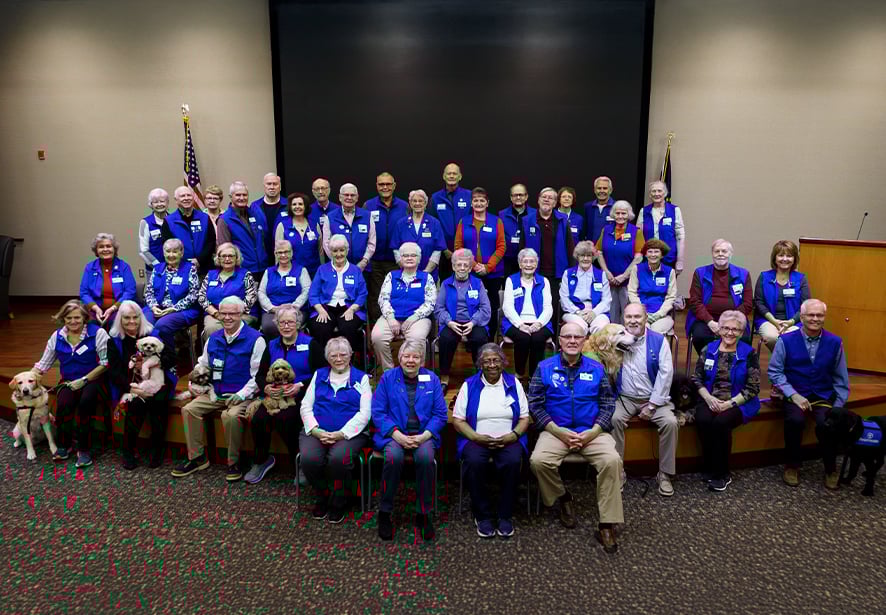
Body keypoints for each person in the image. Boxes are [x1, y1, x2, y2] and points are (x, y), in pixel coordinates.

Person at [528, 321, 623, 554]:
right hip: (556, 430)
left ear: (584, 341)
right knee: (538, 461)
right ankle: (563, 497)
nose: (572, 341)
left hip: (591, 430)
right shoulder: (544, 367)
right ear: (559, 341)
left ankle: (606, 524)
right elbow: (535, 404)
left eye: (577, 337)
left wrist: (595, 430)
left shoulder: (596, 368)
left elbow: (608, 403)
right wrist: (556, 430)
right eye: (567, 337)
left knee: (612, 461)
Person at [172, 296, 266, 481]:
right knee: (189, 409)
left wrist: (240, 395)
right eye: (223, 313)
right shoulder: (213, 338)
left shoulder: (256, 340)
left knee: (229, 416)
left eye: (233, 313)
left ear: (242, 314)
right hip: (215, 391)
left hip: (242, 394)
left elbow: (258, 376)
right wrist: (194, 383)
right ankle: (197, 457)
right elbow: (203, 365)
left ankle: (235, 462)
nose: (228, 317)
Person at [768, 299, 849, 489]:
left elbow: (841, 377)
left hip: (822, 394)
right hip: (794, 393)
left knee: (827, 424)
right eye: (810, 315)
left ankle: (831, 468)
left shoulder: (835, 342)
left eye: (819, 315)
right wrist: (793, 395)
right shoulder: (785, 340)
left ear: (824, 317)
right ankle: (792, 465)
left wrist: (838, 405)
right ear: (801, 317)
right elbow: (775, 371)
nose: (815, 319)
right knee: (795, 421)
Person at [371, 340, 448, 541]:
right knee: (393, 458)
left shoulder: (432, 379)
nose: (411, 360)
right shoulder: (387, 378)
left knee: (425, 459)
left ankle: (423, 513)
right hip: (394, 434)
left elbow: (440, 415)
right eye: (407, 356)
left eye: (415, 357)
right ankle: (385, 512)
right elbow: (378, 413)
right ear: (399, 358)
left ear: (422, 360)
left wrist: (424, 436)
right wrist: (397, 435)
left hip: (423, 435)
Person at [453, 343, 529, 538]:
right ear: (480, 364)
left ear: (503, 362)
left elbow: (524, 418)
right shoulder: (469, 385)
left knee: (513, 462)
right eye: (487, 361)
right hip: (476, 438)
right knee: (474, 462)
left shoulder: (514, 383)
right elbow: (458, 420)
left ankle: (505, 515)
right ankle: (483, 515)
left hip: (509, 438)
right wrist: (476, 437)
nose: (492, 365)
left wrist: (514, 435)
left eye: (496, 360)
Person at [299, 337, 371, 522]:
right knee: (309, 459)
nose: (338, 359)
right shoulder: (319, 375)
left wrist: (342, 434)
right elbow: (306, 405)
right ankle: (323, 496)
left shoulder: (361, 378)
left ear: (351, 355)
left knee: (338, 460)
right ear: (327, 357)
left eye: (343, 355)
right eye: (333, 355)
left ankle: (339, 501)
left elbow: (365, 413)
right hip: (317, 431)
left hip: (350, 434)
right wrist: (315, 430)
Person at [611, 303, 678, 495]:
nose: (633, 321)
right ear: (623, 318)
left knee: (670, 423)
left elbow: (666, 374)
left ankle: (664, 474)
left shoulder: (658, 341)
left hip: (653, 398)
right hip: (625, 398)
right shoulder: (618, 338)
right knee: (613, 419)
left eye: (637, 317)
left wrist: (653, 404)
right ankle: (618, 472)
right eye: (629, 317)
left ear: (645, 318)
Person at [33, 300, 109, 467]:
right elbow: (43, 365)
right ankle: (64, 446)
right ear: (63, 318)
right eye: (68, 318)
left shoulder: (98, 333)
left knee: (85, 403)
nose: (73, 321)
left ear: (84, 318)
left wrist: (84, 380)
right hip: (68, 380)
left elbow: (105, 363)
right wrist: (27, 379)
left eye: (77, 317)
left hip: (93, 378)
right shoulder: (57, 336)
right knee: (64, 404)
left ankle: (84, 449)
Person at [692, 310, 761, 491]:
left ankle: (722, 473)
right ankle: (708, 464)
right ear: (719, 329)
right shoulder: (709, 349)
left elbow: (753, 388)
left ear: (742, 332)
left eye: (735, 330)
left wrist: (729, 404)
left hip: (739, 401)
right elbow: (696, 378)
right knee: (703, 419)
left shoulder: (749, 353)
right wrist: (708, 398)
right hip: (710, 398)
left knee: (721, 422)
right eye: (726, 328)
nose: (730, 333)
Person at [246, 304, 312, 484]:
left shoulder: (310, 343)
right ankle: (261, 460)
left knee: (286, 418)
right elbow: (260, 375)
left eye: (291, 322)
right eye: (282, 322)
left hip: (301, 395)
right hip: (274, 396)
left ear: (298, 323)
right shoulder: (272, 345)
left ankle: (299, 464)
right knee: (259, 418)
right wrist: (265, 387)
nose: (286, 326)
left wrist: (299, 385)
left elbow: (320, 374)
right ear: (277, 324)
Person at [107, 300, 176, 470]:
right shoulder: (115, 341)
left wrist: (156, 363)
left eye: (135, 317)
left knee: (158, 401)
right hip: (131, 384)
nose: (132, 321)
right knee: (136, 404)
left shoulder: (155, 334)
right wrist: (132, 388)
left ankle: (157, 449)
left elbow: (172, 357)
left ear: (141, 317)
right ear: (120, 320)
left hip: (159, 380)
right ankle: (128, 450)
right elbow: (114, 372)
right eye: (127, 318)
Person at [371, 242, 436, 370]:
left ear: (419, 259)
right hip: (391, 317)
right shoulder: (391, 276)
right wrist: (390, 318)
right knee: (377, 337)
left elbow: (430, 303)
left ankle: (414, 372)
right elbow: (383, 299)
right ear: (400, 258)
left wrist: (413, 317)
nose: (409, 258)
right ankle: (388, 372)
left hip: (418, 319)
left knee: (416, 338)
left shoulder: (426, 278)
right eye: (405, 255)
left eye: (413, 255)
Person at [307, 234, 368, 370]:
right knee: (320, 328)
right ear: (330, 252)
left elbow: (362, 294)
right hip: (325, 307)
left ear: (347, 250)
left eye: (342, 250)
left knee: (348, 327)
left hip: (349, 307)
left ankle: (349, 365)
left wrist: (352, 309)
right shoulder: (322, 269)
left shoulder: (356, 270)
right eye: (335, 251)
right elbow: (313, 294)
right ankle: (324, 366)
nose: (339, 254)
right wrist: (320, 310)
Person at [433, 249, 491, 388]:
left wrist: (473, 322)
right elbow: (439, 309)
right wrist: (449, 322)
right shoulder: (446, 284)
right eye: (459, 265)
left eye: (466, 265)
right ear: (453, 266)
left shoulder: (478, 284)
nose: (462, 268)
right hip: (452, 322)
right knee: (446, 339)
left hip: (473, 322)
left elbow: (485, 308)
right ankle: (445, 377)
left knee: (480, 338)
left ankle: (480, 375)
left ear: (471, 268)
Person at [454, 187, 506, 334]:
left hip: (494, 274)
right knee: (472, 304)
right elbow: (458, 247)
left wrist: (488, 267)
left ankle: (490, 338)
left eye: (482, 200)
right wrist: (475, 265)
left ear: (487, 203)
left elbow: (502, 246)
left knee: (492, 305)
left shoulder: (497, 222)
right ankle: (473, 338)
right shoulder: (463, 222)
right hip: (471, 273)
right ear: (471, 203)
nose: (478, 203)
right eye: (475, 200)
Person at [686, 238, 753, 352]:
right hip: (705, 319)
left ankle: (730, 365)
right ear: (712, 254)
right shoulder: (700, 273)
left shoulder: (743, 274)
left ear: (730, 254)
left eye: (724, 251)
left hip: (735, 319)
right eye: (717, 251)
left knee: (745, 338)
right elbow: (695, 301)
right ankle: (709, 362)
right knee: (700, 337)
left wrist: (730, 322)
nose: (720, 254)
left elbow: (747, 303)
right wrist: (710, 322)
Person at [520, 187, 574, 318]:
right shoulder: (527, 220)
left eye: (551, 198)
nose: (547, 200)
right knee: (534, 305)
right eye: (544, 197)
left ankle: (552, 336)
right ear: (538, 200)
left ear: (555, 203)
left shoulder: (562, 220)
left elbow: (569, 247)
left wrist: (569, 271)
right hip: (533, 272)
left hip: (556, 273)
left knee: (554, 306)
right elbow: (521, 248)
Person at [501, 248, 553, 379]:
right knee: (523, 337)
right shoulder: (511, 280)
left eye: (532, 262)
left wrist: (539, 323)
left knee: (537, 338)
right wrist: (520, 325)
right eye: (525, 261)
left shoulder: (544, 281)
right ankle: (519, 374)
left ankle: (534, 377)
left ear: (536, 264)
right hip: (515, 321)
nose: (528, 265)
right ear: (520, 264)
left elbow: (548, 307)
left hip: (540, 321)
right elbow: (507, 307)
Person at [365, 172, 409, 324]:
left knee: (395, 295)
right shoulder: (368, 206)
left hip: (396, 261)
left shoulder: (405, 206)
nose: (385, 187)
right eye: (381, 184)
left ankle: (396, 328)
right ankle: (378, 328)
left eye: (388, 184)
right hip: (374, 261)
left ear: (394, 185)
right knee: (375, 296)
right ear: (377, 186)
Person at [143, 238, 201, 348]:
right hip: (159, 308)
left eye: (175, 251)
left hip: (182, 310)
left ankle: (168, 357)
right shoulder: (158, 268)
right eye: (168, 251)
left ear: (181, 253)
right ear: (163, 253)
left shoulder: (190, 269)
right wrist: (154, 306)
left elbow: (194, 294)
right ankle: (152, 357)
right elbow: (149, 292)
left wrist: (174, 308)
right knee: (145, 323)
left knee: (162, 325)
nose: (171, 255)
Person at [754, 240, 810, 350]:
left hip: (794, 321)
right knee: (772, 337)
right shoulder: (764, 277)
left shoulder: (801, 279)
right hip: (768, 320)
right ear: (775, 258)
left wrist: (791, 322)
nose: (784, 259)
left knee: (789, 337)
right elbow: (758, 302)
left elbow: (806, 305)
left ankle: (779, 364)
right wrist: (774, 321)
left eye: (789, 256)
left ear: (794, 259)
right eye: (780, 255)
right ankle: (784, 363)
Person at [595, 200, 644, 325]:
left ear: (629, 215)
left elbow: (639, 257)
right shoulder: (606, 230)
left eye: (624, 213)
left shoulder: (636, 232)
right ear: (613, 214)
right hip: (609, 280)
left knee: (627, 315)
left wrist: (624, 276)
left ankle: (627, 343)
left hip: (628, 281)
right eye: (618, 213)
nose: (620, 216)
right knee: (611, 315)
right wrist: (606, 272)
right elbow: (599, 252)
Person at [198, 243, 257, 339]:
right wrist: (216, 313)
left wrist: (230, 314)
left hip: (240, 314)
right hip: (215, 314)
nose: (227, 259)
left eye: (231, 256)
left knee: (233, 327)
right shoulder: (211, 275)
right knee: (212, 328)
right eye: (224, 256)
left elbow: (251, 297)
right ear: (219, 258)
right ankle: (216, 353)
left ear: (236, 258)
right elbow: (201, 296)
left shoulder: (245, 274)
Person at [79, 233, 137, 326]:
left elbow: (130, 291)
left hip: (118, 308)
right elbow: (84, 293)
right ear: (96, 250)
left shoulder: (124, 267)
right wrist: (96, 308)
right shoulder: (90, 267)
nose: (105, 249)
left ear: (114, 249)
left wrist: (113, 308)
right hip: (95, 309)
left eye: (108, 246)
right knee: (89, 323)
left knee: (114, 323)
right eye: (101, 247)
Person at [258, 240, 311, 338]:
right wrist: (272, 308)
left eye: (286, 252)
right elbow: (261, 292)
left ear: (291, 253)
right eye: (280, 252)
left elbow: (307, 291)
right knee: (269, 326)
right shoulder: (268, 271)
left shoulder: (301, 270)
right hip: (273, 311)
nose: (283, 255)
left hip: (296, 309)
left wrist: (294, 306)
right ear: (275, 254)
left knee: (291, 325)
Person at [216, 180, 269, 277]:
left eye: (244, 195)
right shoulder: (224, 220)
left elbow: (264, 239)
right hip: (241, 271)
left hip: (263, 268)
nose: (242, 198)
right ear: (231, 197)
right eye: (238, 195)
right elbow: (224, 249)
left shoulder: (256, 214)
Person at [430, 162, 472, 281]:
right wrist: (444, 249)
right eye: (449, 173)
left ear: (460, 176)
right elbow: (433, 226)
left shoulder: (469, 196)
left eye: (455, 173)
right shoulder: (435, 198)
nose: (452, 176)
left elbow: (473, 222)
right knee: (446, 285)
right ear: (444, 176)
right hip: (444, 253)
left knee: (467, 285)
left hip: (466, 251)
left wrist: (463, 249)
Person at [391, 189, 445, 280]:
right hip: (406, 275)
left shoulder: (434, 223)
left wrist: (426, 272)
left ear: (425, 203)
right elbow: (395, 249)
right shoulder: (401, 223)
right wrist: (407, 270)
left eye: (420, 201)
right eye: (414, 201)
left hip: (429, 274)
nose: (417, 203)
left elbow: (438, 250)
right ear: (410, 203)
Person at [161, 185, 216, 274]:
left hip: (205, 268)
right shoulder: (169, 221)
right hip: (180, 269)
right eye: (182, 196)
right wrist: (186, 262)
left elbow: (211, 241)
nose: (186, 198)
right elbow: (168, 247)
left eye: (189, 195)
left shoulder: (204, 218)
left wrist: (199, 260)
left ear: (193, 197)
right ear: (176, 200)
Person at [560, 240, 611, 334]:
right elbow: (564, 298)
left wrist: (594, 312)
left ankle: (594, 349)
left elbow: (606, 300)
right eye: (582, 255)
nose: (585, 258)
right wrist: (578, 312)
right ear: (577, 257)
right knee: (579, 327)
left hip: (597, 311)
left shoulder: (601, 275)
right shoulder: (568, 273)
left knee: (601, 327)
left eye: (589, 255)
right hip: (574, 311)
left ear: (593, 257)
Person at [628, 238, 677, 334]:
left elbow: (671, 297)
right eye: (650, 252)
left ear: (662, 255)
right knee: (642, 330)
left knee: (655, 332)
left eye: (656, 252)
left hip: (662, 315)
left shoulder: (670, 272)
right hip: (640, 313)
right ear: (645, 254)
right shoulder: (637, 269)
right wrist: (641, 311)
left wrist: (659, 314)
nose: (653, 255)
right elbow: (632, 292)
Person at [322, 183, 375, 272]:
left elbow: (372, 242)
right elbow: (326, 243)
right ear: (340, 197)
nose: (349, 198)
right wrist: (338, 261)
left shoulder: (367, 216)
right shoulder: (330, 217)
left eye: (352, 195)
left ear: (357, 197)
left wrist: (364, 261)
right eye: (346, 195)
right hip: (338, 268)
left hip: (363, 268)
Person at [640, 180, 685, 274]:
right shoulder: (643, 211)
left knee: (668, 287)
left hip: (668, 260)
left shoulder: (674, 210)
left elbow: (680, 237)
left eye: (659, 191)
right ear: (650, 194)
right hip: (647, 261)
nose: (656, 194)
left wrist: (680, 261)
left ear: (665, 193)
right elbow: (638, 238)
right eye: (653, 191)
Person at [275, 192, 323, 277]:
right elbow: (277, 252)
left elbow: (320, 250)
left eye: (300, 204)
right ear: (290, 207)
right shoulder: (283, 226)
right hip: (292, 273)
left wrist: (322, 270)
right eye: (294, 204)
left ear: (305, 206)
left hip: (314, 272)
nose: (297, 207)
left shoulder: (314, 225)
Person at [499, 183, 536, 278]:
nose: (518, 197)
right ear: (511, 197)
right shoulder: (502, 215)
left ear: (526, 196)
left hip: (529, 261)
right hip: (508, 261)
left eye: (521, 195)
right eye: (515, 195)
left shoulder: (535, 214)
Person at [250, 172, 288, 260]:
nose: (272, 187)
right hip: (262, 254)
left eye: (275, 184)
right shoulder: (254, 206)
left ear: (280, 187)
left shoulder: (288, 205)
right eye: (269, 184)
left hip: (284, 253)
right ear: (264, 186)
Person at [139, 188, 169, 267]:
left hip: (174, 268)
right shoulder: (145, 223)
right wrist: (158, 267)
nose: (159, 204)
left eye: (162, 201)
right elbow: (143, 251)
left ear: (167, 203)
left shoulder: (173, 220)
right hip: (154, 269)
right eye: (155, 202)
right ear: (151, 205)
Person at [583, 176, 615, 250]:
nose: (602, 191)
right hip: (591, 250)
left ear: (610, 190)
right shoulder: (588, 207)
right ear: (594, 190)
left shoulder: (617, 207)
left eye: (605, 188)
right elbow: (584, 229)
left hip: (610, 250)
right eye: (599, 188)